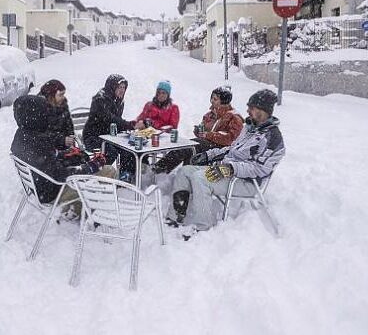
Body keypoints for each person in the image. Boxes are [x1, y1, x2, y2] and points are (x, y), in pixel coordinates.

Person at [165, 89, 285, 238]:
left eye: (252, 107)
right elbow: (232, 149)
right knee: (185, 171)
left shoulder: (273, 139)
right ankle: (176, 215)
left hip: (247, 182)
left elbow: (260, 169)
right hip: (227, 170)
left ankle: (202, 227)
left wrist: (231, 168)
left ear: (264, 111)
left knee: (200, 178)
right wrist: (208, 155)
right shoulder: (250, 127)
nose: (247, 110)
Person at [11, 95, 116, 216]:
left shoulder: (22, 135)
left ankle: (87, 201)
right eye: (44, 113)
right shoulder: (37, 144)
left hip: (40, 186)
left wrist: (66, 154)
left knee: (81, 157)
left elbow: (44, 160)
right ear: (35, 116)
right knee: (108, 170)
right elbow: (59, 175)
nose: (48, 116)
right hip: (54, 192)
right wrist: (92, 166)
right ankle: (78, 209)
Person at [153, 86, 243, 174]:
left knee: (188, 148)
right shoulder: (210, 115)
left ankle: (160, 169)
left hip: (220, 148)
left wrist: (208, 135)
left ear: (223, 102)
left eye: (215, 99)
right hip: (205, 143)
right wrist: (198, 131)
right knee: (187, 148)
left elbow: (231, 139)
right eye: (211, 98)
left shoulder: (234, 117)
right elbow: (202, 130)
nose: (212, 101)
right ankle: (179, 175)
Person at [82, 74, 144, 163]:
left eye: (124, 87)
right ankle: (100, 173)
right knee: (111, 152)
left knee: (128, 148)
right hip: (93, 137)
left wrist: (132, 126)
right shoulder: (100, 99)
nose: (122, 90)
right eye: (119, 87)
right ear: (112, 87)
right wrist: (130, 125)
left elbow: (115, 123)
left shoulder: (118, 100)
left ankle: (125, 174)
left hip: (108, 136)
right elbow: (110, 119)